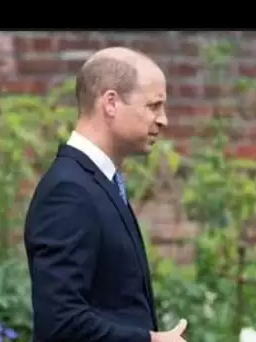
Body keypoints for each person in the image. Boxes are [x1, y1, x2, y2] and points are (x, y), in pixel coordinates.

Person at [24, 47, 189, 342]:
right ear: (111, 103)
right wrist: (150, 340)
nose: (163, 120)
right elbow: (60, 322)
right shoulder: (69, 192)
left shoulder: (101, 182)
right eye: (153, 106)